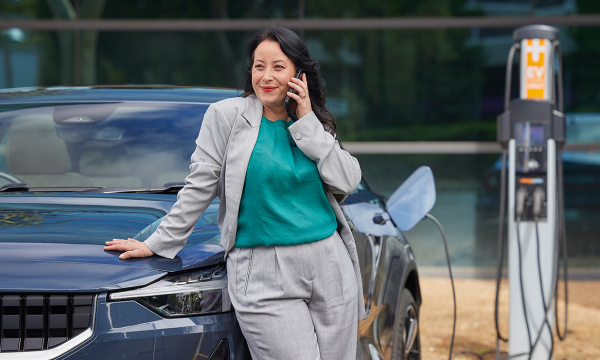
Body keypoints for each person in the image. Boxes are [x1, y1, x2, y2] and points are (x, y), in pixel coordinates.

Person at [104, 26, 365, 360]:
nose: (266, 76)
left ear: (299, 74)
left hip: (328, 262)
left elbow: (348, 180)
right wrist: (157, 242)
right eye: (259, 66)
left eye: (278, 67)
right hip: (262, 270)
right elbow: (200, 186)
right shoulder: (226, 116)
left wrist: (308, 123)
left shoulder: (312, 122)